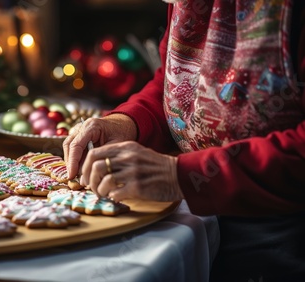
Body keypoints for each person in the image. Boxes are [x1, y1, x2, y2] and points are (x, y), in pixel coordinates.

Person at [63, 0, 305, 281]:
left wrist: (180, 176)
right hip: (196, 215)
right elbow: (176, 81)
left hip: (282, 232)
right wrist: (126, 123)